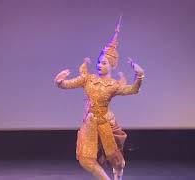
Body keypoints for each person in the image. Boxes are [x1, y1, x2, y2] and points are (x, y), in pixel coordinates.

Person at [54, 17, 144, 180]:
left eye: (103, 63)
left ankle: (118, 173)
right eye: (98, 62)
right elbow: (67, 84)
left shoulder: (113, 85)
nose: (99, 65)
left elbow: (132, 90)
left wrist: (139, 75)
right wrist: (59, 81)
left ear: (111, 65)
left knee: (118, 162)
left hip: (106, 123)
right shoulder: (88, 79)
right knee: (85, 160)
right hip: (90, 123)